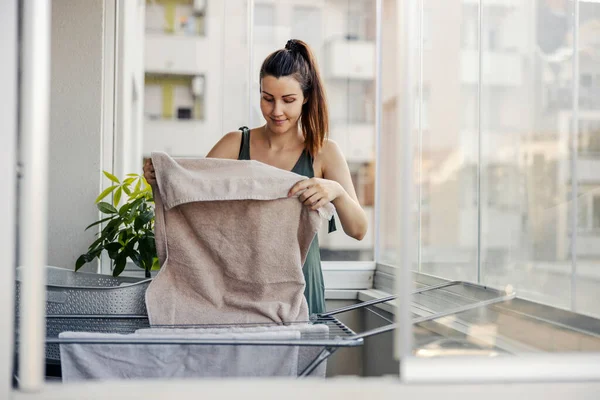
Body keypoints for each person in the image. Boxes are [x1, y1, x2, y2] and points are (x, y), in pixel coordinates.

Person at [144, 39, 368, 314]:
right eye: (267, 98)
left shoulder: (324, 152)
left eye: (288, 100)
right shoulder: (234, 144)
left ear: (306, 97)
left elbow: (358, 231)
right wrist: (162, 178)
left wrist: (337, 191)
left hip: (302, 285)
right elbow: (193, 200)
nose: (276, 111)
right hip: (241, 288)